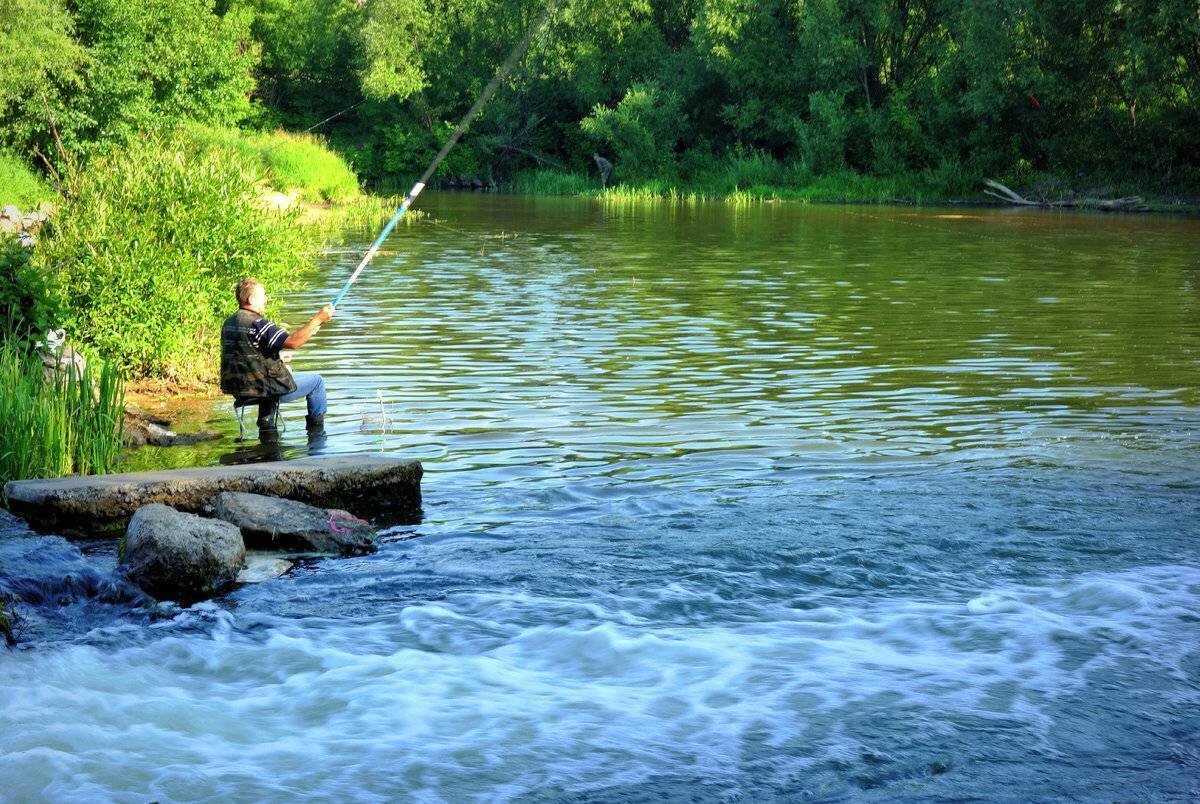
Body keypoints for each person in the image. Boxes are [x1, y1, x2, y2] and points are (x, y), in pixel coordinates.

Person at [220, 278, 334, 437]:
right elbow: (293, 342)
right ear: (251, 299)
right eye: (263, 295)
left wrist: (278, 357)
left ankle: (267, 430)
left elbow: (246, 355)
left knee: (275, 378)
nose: (266, 299)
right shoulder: (258, 323)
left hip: (239, 390)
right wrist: (318, 319)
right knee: (317, 382)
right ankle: (317, 438)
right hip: (263, 389)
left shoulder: (229, 322)